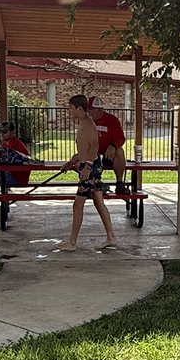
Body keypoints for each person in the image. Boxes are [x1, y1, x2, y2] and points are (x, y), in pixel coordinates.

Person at [56, 94, 118, 252]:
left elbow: (94, 146)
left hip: (91, 168)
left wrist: (87, 167)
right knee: (98, 202)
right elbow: (83, 149)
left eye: (71, 109)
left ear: (79, 108)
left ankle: (72, 242)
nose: (70, 112)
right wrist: (71, 163)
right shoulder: (84, 122)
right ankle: (111, 237)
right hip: (89, 165)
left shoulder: (88, 123)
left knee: (77, 205)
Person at [87, 96, 128, 194]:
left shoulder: (111, 120)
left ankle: (119, 183)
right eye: (88, 110)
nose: (89, 112)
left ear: (100, 110)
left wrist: (113, 146)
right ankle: (96, 183)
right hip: (92, 154)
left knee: (120, 151)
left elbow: (120, 138)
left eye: (91, 110)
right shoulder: (86, 121)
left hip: (108, 155)